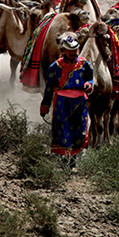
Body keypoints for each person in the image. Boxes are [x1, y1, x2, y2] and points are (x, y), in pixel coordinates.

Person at [40, 33, 94, 161]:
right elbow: (49, 89)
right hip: (62, 102)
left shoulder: (84, 64)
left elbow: (90, 78)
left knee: (80, 129)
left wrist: (88, 84)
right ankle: (65, 158)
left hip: (80, 102)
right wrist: (45, 105)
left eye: (75, 50)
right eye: (70, 50)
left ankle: (74, 157)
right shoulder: (55, 67)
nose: (73, 52)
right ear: (63, 50)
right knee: (63, 128)